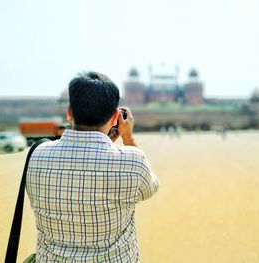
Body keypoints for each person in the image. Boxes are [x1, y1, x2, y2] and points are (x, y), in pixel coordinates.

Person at [26, 72, 159, 262]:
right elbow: (150, 188)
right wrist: (128, 138)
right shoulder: (132, 162)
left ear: (70, 112)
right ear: (115, 117)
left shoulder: (36, 155)